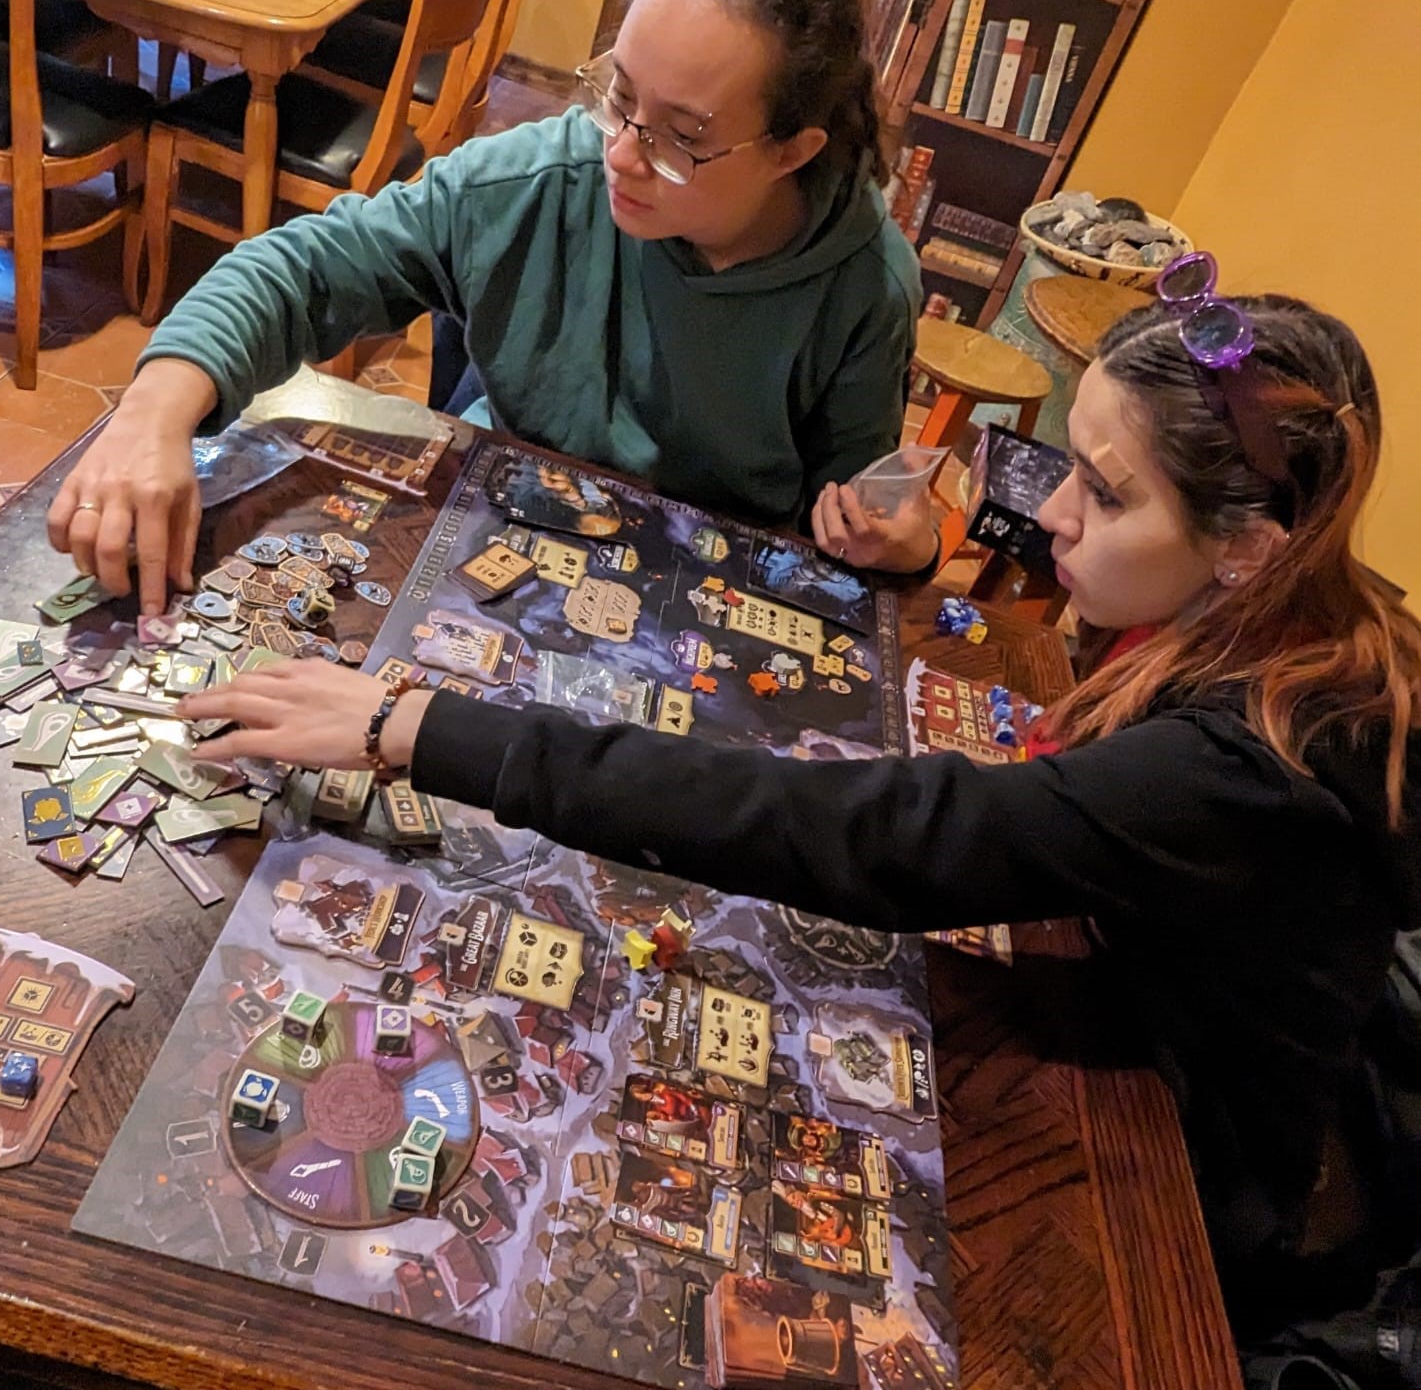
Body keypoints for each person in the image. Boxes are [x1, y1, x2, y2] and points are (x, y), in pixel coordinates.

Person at [186, 271, 1421, 1363]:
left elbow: (872, 833)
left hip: (1190, 1195)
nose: (1051, 516)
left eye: (1101, 490)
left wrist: (418, 726)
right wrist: (908, 543)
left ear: (1246, 550)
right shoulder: (1297, 599)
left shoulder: (1249, 765)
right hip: (1136, 1003)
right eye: (1061, 465)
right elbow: (1003, 545)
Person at [48, 0, 932, 612]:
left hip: (684, 614)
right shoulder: (539, 177)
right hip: (486, 563)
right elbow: (305, 267)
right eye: (617, 96)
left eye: (679, 139)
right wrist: (152, 412)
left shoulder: (866, 287)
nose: (620, 153)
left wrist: (897, 541)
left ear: (793, 150)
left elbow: (846, 527)